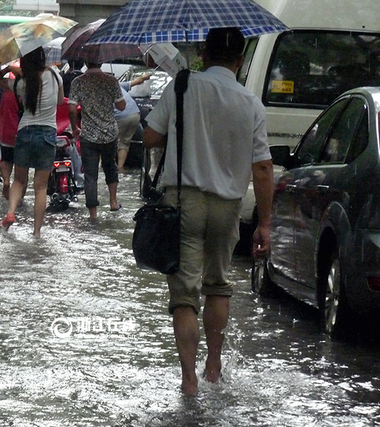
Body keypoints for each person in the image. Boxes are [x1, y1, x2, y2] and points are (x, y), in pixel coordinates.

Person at [142, 27, 274, 396]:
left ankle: (188, 380)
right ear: (241, 59)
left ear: (204, 51)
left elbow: (150, 138)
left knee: (184, 293)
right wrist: (264, 223)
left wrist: (181, 128)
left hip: (183, 201)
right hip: (228, 205)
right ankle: (213, 365)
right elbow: (262, 168)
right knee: (218, 285)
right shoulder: (251, 103)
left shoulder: (182, 86)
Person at [0, 47, 64, 237]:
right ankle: (37, 232)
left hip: (25, 132)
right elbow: (60, 101)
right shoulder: (55, 74)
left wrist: (7, 69)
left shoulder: (21, 84)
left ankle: (11, 212)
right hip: (48, 133)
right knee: (40, 187)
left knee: (19, 181)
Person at [68, 61, 125, 220]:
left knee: (90, 175)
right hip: (109, 134)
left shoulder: (77, 82)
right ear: (101, 61)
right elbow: (121, 106)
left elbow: (72, 109)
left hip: (88, 135)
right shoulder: (111, 81)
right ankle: (113, 202)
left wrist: (74, 128)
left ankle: (93, 214)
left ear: (85, 62)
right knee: (110, 167)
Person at [115, 73, 151, 171]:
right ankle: (120, 167)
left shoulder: (103, 90)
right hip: (135, 114)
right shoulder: (118, 85)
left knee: (108, 141)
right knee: (124, 142)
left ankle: (103, 167)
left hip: (121, 115)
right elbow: (138, 81)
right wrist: (145, 76)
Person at [0, 89, 19, 199]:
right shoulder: (28, 90)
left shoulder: (7, 91)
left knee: (5, 158)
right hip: (23, 130)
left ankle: (6, 180)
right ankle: (18, 198)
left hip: (7, 130)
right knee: (21, 165)